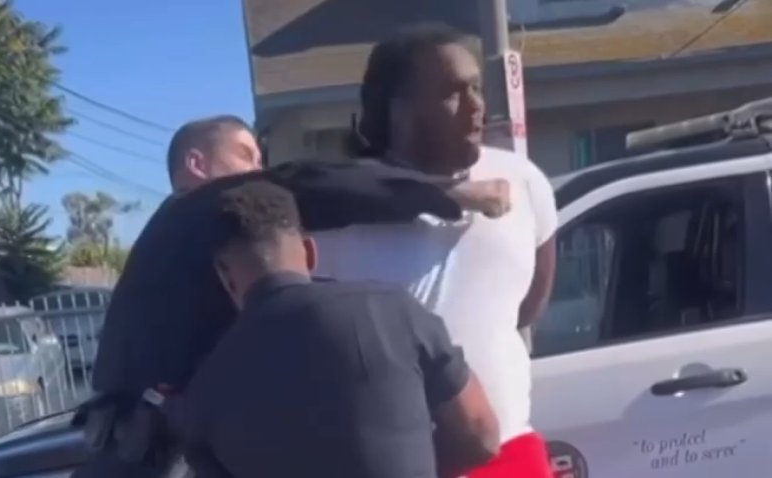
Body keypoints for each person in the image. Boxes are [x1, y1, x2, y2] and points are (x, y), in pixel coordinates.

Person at [76, 115, 514, 477]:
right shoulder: (191, 209)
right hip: (149, 455)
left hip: (136, 445)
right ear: (196, 164)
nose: (259, 170)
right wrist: (450, 194)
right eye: (247, 156)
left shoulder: (175, 247)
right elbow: (308, 184)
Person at [314, 25, 558, 478]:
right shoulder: (333, 213)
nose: (476, 106)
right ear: (396, 108)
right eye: (452, 93)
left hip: (510, 451)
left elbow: (528, 307)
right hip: (403, 466)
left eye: (476, 89)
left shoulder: (522, 180)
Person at [179, 180, 499, 478]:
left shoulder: (203, 396)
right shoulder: (391, 310)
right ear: (309, 251)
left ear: (225, 275)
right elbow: (480, 433)